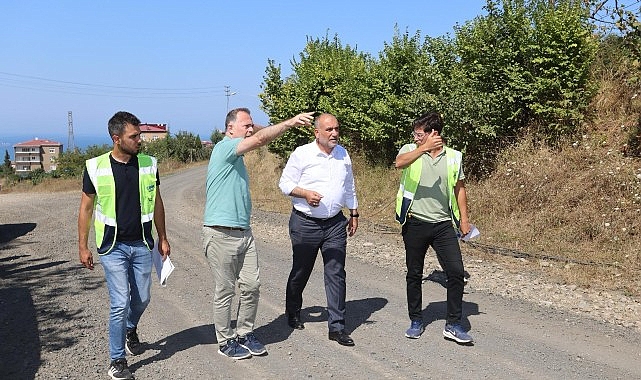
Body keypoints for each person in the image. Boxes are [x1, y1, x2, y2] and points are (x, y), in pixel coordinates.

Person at [203, 107, 314, 360]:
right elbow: (261, 139)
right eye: (246, 125)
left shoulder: (236, 151)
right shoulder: (224, 148)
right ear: (230, 128)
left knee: (252, 286)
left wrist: (259, 126)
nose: (251, 129)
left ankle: (244, 333)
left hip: (244, 232)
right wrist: (290, 123)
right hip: (220, 232)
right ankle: (225, 340)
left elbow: (258, 133)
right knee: (225, 290)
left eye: (252, 125)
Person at [78, 111, 171, 380]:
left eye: (140, 134)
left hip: (142, 244)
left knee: (142, 298)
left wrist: (163, 237)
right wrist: (82, 247)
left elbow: (157, 202)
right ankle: (117, 359)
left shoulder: (148, 164)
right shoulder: (95, 167)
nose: (140, 140)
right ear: (116, 139)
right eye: (134, 136)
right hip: (112, 247)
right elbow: (86, 209)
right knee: (120, 302)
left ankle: (130, 328)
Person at [278, 113, 359, 347]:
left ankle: (337, 327)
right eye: (329, 130)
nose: (334, 133)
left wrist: (353, 212)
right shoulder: (302, 153)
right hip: (305, 223)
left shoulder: (343, 154)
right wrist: (304, 193)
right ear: (317, 132)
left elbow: (349, 185)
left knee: (336, 272)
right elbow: (284, 184)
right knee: (301, 269)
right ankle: (293, 310)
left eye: (337, 129)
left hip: (335, 223)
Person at [394, 111, 474, 344]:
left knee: (457, 272)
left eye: (420, 134)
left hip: (443, 224)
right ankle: (416, 320)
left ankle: (453, 324)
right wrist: (421, 148)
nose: (415, 137)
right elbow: (399, 164)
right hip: (415, 222)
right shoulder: (410, 150)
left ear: (434, 134)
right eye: (416, 134)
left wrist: (464, 220)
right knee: (414, 273)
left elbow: (460, 189)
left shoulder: (454, 157)